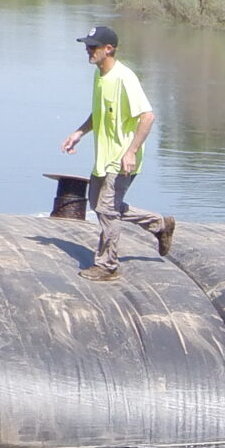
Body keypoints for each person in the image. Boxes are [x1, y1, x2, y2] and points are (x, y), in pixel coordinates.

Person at [59, 25, 173, 281]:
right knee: (98, 205)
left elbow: (148, 117)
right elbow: (99, 113)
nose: (87, 50)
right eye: (87, 46)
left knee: (107, 210)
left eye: (93, 46)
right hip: (103, 157)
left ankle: (107, 265)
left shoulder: (125, 78)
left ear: (108, 49)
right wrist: (79, 132)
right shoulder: (100, 76)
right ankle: (159, 224)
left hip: (122, 158)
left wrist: (131, 152)